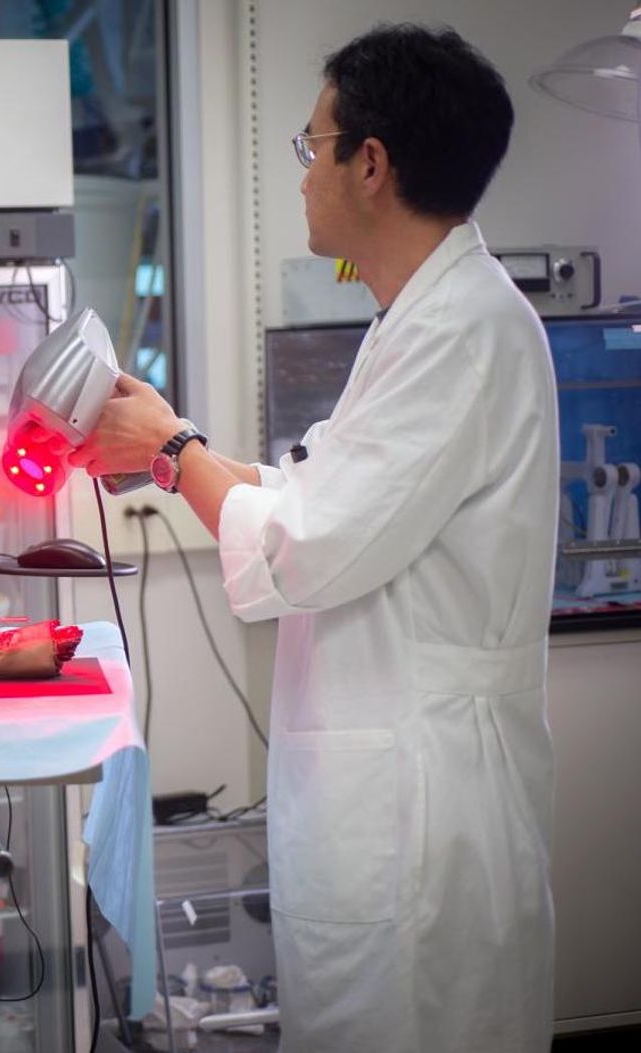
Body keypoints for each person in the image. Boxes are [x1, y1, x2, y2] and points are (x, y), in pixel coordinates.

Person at [69, 24, 557, 1053]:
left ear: (369, 164)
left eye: (309, 147)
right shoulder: (416, 321)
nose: (300, 176)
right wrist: (169, 449)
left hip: (420, 808)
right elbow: (317, 488)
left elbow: (307, 545)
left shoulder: (462, 329)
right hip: (386, 785)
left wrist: (170, 445)